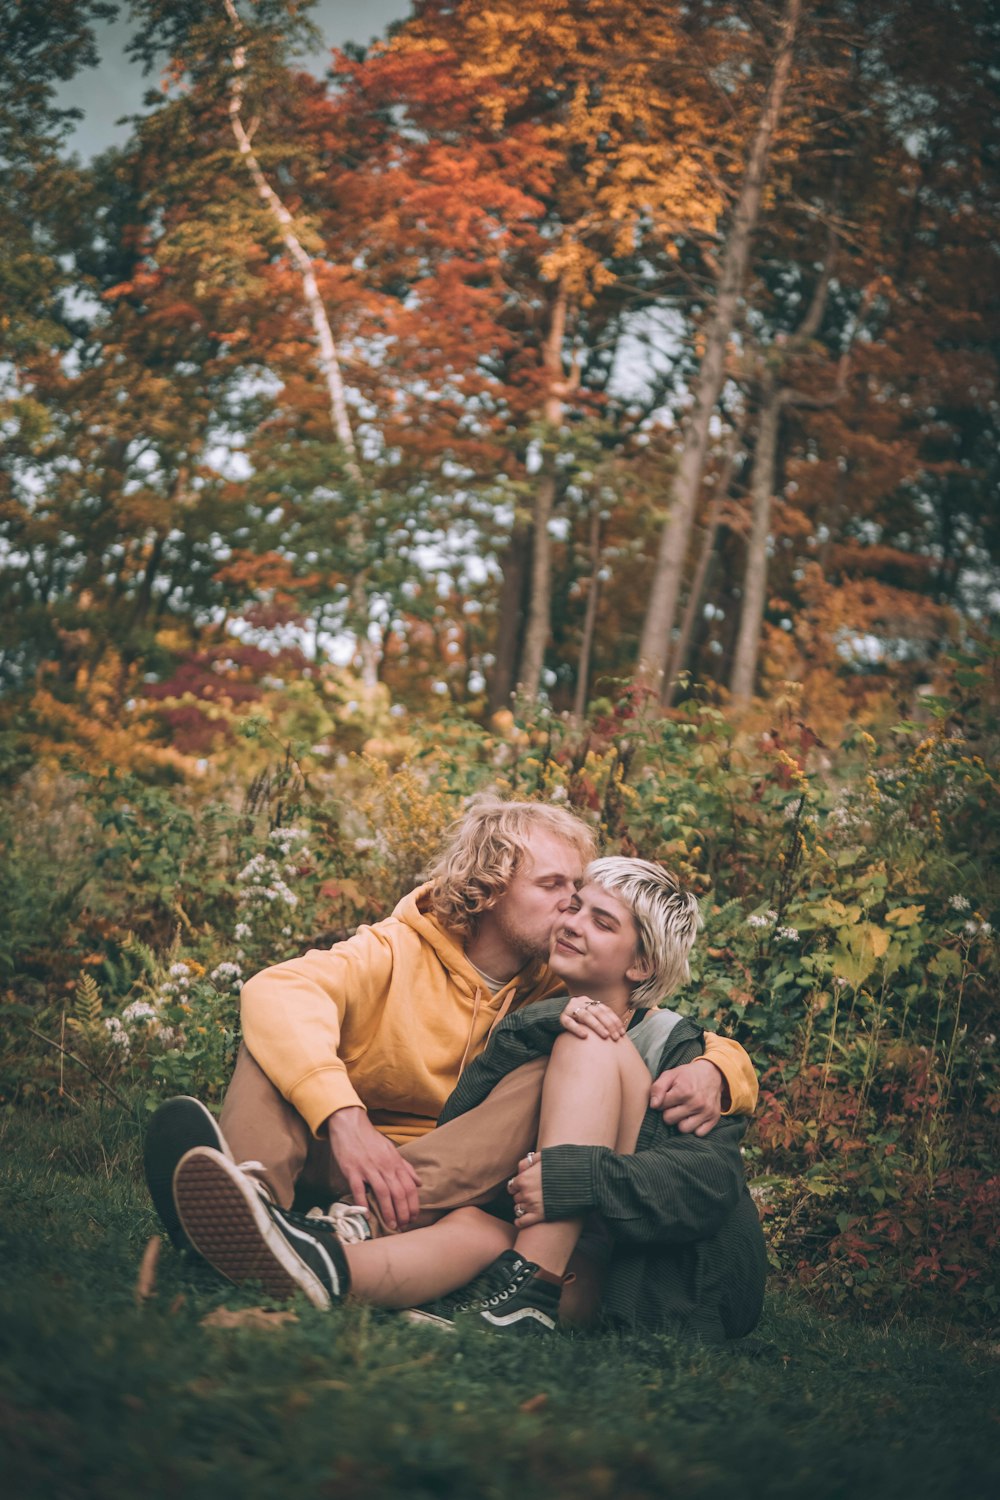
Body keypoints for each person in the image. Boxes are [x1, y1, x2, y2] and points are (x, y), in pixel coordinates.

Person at [170, 857, 766, 1342]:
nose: (573, 920)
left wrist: (582, 1174)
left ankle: (524, 1290)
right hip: (529, 1248)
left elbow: (710, 1182)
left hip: (622, 1270)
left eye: (601, 922)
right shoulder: (537, 1008)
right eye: (574, 903)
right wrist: (553, 1015)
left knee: (588, 1040)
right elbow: (467, 1121)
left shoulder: (676, 1047)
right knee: (473, 1227)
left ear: (642, 964)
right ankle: (311, 1265)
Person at [145, 796, 758, 1251]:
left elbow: (676, 1031)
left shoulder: (555, 982)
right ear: (491, 887)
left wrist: (718, 1071)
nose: (571, 908)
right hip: (338, 1154)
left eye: (578, 891)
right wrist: (345, 1119)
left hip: (436, 1189)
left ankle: (294, 1237)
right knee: (277, 1036)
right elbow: (276, 988)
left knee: (552, 1062)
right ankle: (250, 1203)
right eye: (553, 887)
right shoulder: (391, 951)